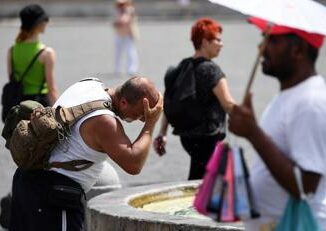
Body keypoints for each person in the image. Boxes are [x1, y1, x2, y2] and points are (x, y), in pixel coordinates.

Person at [9, 77, 163, 231]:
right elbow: (134, 164)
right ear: (123, 102)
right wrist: (150, 124)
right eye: (141, 114)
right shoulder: (105, 121)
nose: (141, 120)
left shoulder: (89, 83)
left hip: (27, 181)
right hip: (54, 196)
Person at [228, 18, 326, 230]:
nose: (261, 47)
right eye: (264, 37)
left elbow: (305, 186)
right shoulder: (290, 95)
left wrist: (253, 133)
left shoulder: (310, 102)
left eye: (272, 40)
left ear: (298, 50)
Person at [153, 18, 236, 180]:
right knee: (209, 185)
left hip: (188, 138)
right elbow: (228, 104)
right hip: (208, 138)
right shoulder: (211, 70)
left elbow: (170, 101)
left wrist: (163, 132)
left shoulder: (181, 67)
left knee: (198, 178)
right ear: (205, 42)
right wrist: (254, 127)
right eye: (217, 40)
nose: (221, 44)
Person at [7, 4, 59, 107]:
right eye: (45, 19)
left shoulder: (12, 50)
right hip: (39, 106)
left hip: (19, 107)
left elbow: (12, 82)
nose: (47, 22)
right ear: (38, 23)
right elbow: (52, 89)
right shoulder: (46, 53)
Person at [113, 0, 139, 76]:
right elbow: (115, 23)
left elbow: (124, 20)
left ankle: (132, 69)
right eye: (120, 4)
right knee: (118, 53)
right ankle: (118, 69)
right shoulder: (117, 11)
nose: (121, 6)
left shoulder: (130, 10)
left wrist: (119, 21)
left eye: (122, 4)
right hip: (119, 34)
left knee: (131, 52)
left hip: (129, 34)